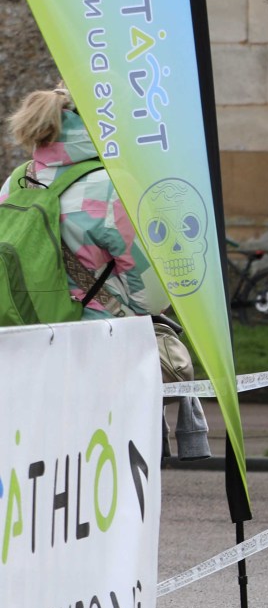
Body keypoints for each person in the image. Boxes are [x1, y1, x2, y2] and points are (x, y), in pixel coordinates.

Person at [3, 85, 209, 459]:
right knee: (106, 469)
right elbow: (153, 297)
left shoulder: (17, 181)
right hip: (102, 355)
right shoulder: (113, 187)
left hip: (28, 350)